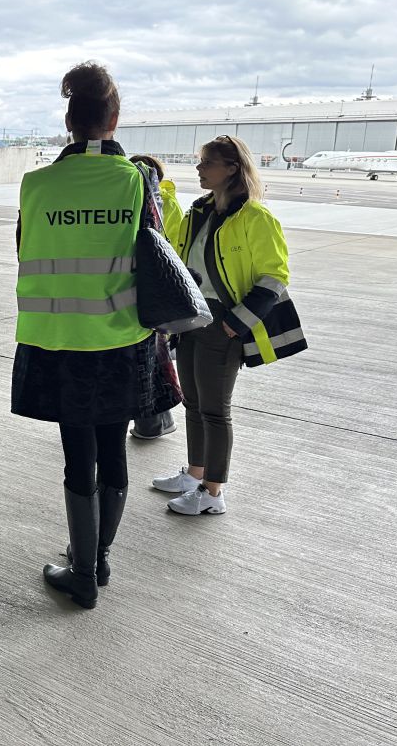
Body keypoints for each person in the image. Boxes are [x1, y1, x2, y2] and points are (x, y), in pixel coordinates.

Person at [12, 62, 180, 609]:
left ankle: (81, 570)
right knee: (114, 449)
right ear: (114, 118)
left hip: (58, 339)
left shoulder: (36, 185)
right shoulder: (136, 180)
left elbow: (24, 249)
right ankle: (98, 560)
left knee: (76, 454)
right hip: (120, 339)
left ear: (68, 118)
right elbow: (155, 255)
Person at [152, 135, 306, 516]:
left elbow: (275, 275)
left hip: (224, 322)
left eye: (207, 163)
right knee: (193, 402)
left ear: (232, 168)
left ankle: (213, 492)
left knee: (215, 410)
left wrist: (236, 324)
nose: (200, 169)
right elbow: (176, 248)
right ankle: (195, 474)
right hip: (193, 317)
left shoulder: (256, 217)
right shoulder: (201, 209)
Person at [128, 153, 182, 441]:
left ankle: (151, 422)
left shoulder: (158, 204)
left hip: (152, 290)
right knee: (155, 359)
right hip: (154, 291)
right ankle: (158, 420)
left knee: (149, 360)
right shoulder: (164, 202)